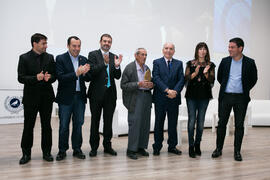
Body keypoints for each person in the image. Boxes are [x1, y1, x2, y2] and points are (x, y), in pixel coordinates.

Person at [212, 37, 257, 161]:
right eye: (229, 47)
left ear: (240, 48)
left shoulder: (250, 62)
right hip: (226, 97)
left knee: (239, 125)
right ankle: (218, 149)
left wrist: (244, 89)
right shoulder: (225, 61)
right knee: (221, 124)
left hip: (241, 98)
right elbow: (220, 77)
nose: (229, 49)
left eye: (232, 47)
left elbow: (253, 79)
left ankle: (237, 151)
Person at [17, 33, 56, 164]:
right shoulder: (24, 58)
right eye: (43, 43)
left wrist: (49, 77)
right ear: (35, 44)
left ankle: (47, 152)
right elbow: (21, 77)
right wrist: (36, 78)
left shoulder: (50, 57)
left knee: (46, 126)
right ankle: (26, 154)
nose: (46, 45)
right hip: (30, 99)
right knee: (28, 126)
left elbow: (54, 76)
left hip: (46, 98)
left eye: (46, 43)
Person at [55, 36, 90, 161]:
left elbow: (87, 78)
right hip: (65, 98)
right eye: (74, 46)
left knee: (78, 124)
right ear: (68, 46)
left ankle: (77, 149)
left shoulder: (83, 59)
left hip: (80, 98)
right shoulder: (60, 58)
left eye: (79, 46)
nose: (77, 48)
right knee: (64, 125)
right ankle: (62, 150)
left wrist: (85, 73)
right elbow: (60, 77)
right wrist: (76, 73)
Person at [87, 34, 122, 157]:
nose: (107, 43)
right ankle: (94, 148)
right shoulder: (93, 55)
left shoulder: (114, 56)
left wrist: (117, 66)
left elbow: (117, 76)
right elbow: (92, 71)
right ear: (100, 42)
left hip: (110, 95)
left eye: (109, 42)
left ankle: (107, 146)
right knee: (95, 122)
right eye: (105, 41)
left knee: (108, 122)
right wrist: (104, 63)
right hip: (96, 95)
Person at [152, 43, 185, 156]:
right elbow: (156, 78)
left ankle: (172, 146)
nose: (168, 50)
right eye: (166, 48)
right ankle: (157, 146)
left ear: (174, 51)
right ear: (163, 50)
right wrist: (167, 90)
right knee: (159, 123)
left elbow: (181, 79)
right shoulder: (157, 62)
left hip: (174, 98)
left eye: (171, 49)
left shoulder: (179, 63)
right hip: (160, 98)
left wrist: (175, 92)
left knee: (172, 123)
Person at [121, 48, 153, 160]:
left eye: (146, 55)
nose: (144, 57)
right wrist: (138, 84)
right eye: (142, 54)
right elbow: (123, 85)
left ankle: (141, 147)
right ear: (136, 55)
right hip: (135, 98)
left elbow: (150, 81)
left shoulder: (147, 68)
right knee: (134, 125)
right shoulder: (129, 68)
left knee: (145, 124)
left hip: (146, 97)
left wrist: (151, 85)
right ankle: (131, 150)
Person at [184, 42, 215, 158]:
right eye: (200, 49)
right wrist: (195, 73)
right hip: (191, 96)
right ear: (197, 51)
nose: (202, 51)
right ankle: (191, 146)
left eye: (204, 49)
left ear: (206, 51)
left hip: (204, 96)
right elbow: (185, 78)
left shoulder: (211, 65)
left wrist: (206, 74)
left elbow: (212, 80)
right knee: (192, 121)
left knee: (200, 122)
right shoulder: (190, 64)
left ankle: (198, 144)